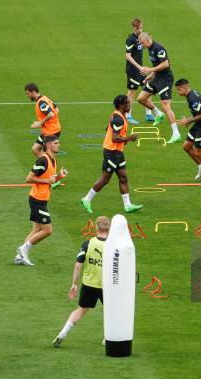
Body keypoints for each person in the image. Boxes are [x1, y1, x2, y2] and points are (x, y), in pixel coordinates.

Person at [53, 216, 110, 348]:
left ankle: (63, 333)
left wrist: (74, 284)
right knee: (110, 311)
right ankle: (108, 338)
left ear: (96, 227)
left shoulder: (88, 243)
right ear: (109, 229)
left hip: (89, 284)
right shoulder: (113, 245)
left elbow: (78, 265)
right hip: (107, 286)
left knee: (81, 310)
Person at [80, 95, 143, 214]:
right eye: (127, 103)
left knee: (123, 177)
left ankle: (128, 205)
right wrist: (129, 138)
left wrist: (123, 139)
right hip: (112, 152)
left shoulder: (119, 115)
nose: (129, 105)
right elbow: (114, 138)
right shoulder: (118, 118)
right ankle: (86, 199)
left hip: (118, 152)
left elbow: (108, 129)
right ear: (120, 105)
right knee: (105, 179)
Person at [15, 137, 68, 266]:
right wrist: (47, 181)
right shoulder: (43, 159)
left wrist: (59, 176)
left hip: (42, 199)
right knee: (47, 230)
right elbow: (29, 178)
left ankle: (19, 256)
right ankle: (23, 249)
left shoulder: (53, 160)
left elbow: (49, 179)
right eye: (56, 143)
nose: (58, 145)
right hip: (37, 199)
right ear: (48, 145)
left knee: (37, 228)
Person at [136, 32, 181, 143]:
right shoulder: (150, 49)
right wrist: (150, 77)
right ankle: (158, 113)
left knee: (165, 106)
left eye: (142, 43)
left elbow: (166, 64)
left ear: (147, 40)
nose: (142, 46)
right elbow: (157, 67)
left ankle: (176, 134)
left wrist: (149, 70)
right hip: (157, 79)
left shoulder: (158, 48)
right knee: (141, 98)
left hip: (165, 80)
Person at [175, 79, 201, 184]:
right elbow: (199, 114)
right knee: (186, 146)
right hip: (199, 124)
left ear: (185, 87)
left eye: (179, 89)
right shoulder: (191, 94)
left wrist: (188, 120)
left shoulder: (192, 98)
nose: (178, 92)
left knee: (199, 152)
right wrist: (190, 120)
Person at [124, 18, 154, 124]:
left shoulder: (141, 37)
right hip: (132, 70)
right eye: (138, 28)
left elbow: (144, 47)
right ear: (133, 27)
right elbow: (127, 56)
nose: (140, 30)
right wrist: (138, 66)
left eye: (141, 27)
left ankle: (149, 114)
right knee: (131, 93)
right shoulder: (131, 39)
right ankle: (128, 116)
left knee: (148, 88)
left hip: (141, 69)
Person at [25, 83, 62, 156]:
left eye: (28, 93)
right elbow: (56, 109)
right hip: (49, 130)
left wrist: (39, 123)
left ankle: (48, 166)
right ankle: (46, 165)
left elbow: (51, 114)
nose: (27, 96)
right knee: (35, 149)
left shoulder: (41, 102)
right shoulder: (44, 98)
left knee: (47, 155)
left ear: (33, 92)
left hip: (51, 132)